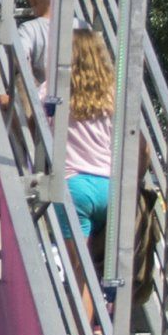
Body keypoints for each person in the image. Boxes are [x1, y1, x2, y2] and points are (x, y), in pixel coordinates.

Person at [63, 26, 116, 246]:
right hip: (109, 186)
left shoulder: (56, 89)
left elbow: (32, 120)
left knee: (78, 274)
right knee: (103, 268)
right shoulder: (112, 93)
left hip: (74, 185)